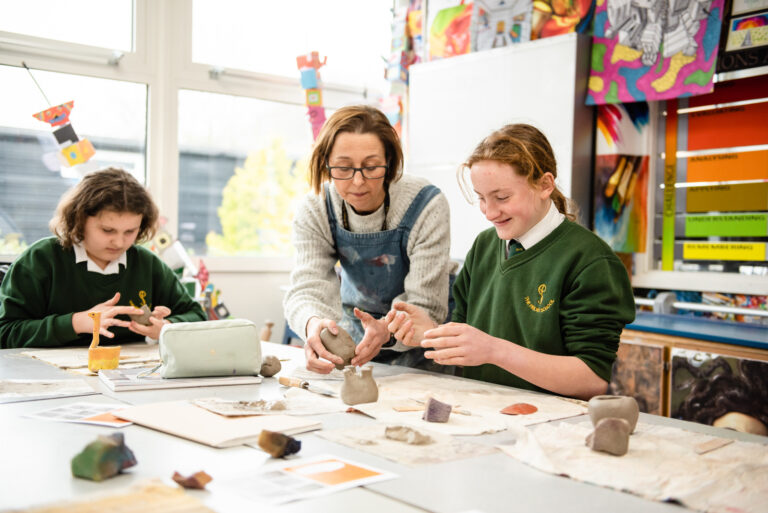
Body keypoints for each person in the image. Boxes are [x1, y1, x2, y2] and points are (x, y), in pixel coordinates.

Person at [387, 124, 635, 400]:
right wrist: (430, 334)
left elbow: (592, 378)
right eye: (481, 198)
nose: (490, 212)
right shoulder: (484, 246)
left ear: (544, 185)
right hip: (481, 414)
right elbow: (469, 345)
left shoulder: (590, 261)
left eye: (502, 197)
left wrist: (495, 351)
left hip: (552, 428)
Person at [283, 105, 453, 374]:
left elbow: (426, 304)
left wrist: (386, 329)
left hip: (419, 343)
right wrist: (313, 326)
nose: (358, 181)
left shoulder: (426, 204)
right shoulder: (316, 208)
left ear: (390, 162)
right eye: (344, 167)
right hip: (357, 332)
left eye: (372, 167)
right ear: (326, 163)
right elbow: (306, 288)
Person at [0, 168, 206, 348]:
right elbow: (5, 332)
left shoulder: (147, 264)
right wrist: (76, 323)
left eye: (130, 231)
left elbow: (197, 316)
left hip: (128, 378)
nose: (119, 242)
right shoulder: (41, 259)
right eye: (108, 230)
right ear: (79, 219)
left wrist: (165, 327)